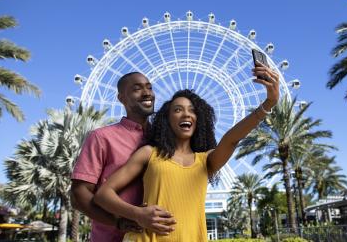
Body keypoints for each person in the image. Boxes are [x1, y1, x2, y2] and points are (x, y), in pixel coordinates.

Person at [94, 64, 279, 242]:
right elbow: (103, 194)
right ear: (167, 119)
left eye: (192, 111)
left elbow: (231, 139)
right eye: (177, 110)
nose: (186, 114)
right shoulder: (148, 154)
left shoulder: (206, 161)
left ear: (199, 119)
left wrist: (269, 103)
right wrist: (138, 214)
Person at [70, 72, 176, 242]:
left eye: (149, 87)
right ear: (121, 98)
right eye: (137, 89)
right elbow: (78, 194)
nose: (147, 92)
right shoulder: (101, 138)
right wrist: (118, 221)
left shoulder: (167, 140)